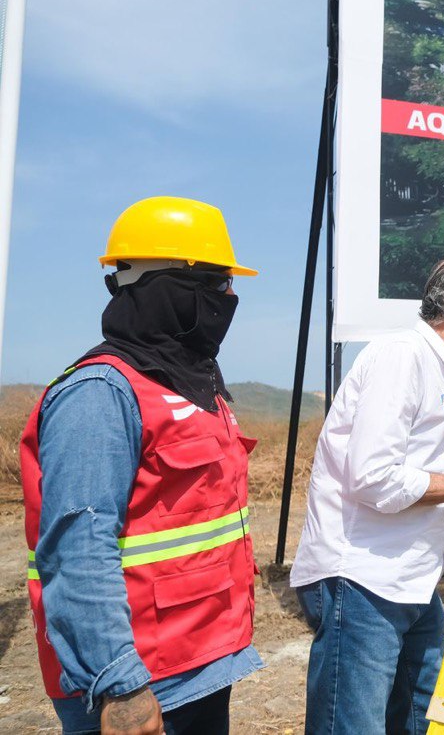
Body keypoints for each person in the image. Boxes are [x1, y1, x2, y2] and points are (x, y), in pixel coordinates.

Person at [20, 196, 262, 734]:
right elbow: (77, 548)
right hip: (141, 681)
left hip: (199, 660)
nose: (229, 298)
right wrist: (119, 685)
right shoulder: (100, 394)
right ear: (170, 289)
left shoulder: (192, 385)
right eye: (217, 284)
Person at [290, 255, 444, 735]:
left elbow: (402, 464)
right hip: (362, 581)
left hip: (412, 581)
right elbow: (373, 477)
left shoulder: (440, 366)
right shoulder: (401, 357)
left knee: (420, 723)